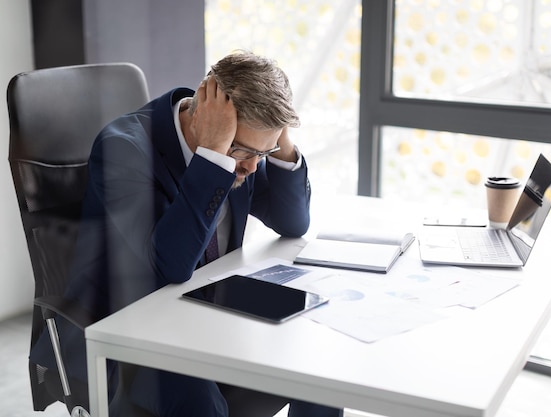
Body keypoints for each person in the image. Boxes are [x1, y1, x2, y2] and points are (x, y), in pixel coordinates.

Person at [30, 51, 342, 417]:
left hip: (211, 316)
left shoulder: (247, 153)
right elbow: (172, 266)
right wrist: (213, 156)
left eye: (263, 152)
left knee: (320, 362)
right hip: (130, 333)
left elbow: (293, 223)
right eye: (242, 151)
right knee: (200, 400)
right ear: (205, 116)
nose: (251, 166)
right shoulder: (124, 149)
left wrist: (279, 143)